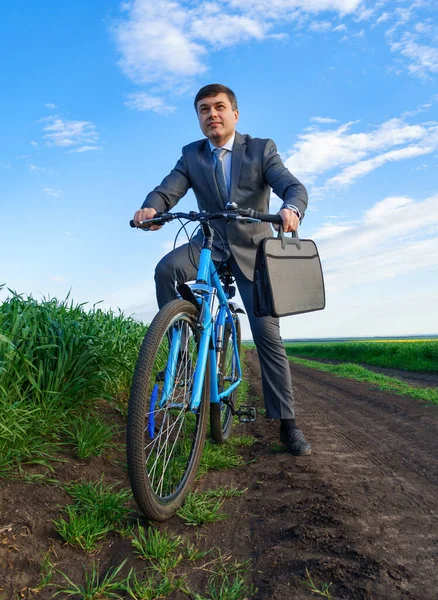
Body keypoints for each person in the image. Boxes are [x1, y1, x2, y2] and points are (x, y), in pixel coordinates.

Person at [133, 83, 311, 456]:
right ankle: (182, 350)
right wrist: (151, 208)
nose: (211, 114)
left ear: (234, 114)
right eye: (203, 109)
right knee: (166, 269)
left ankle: (287, 424)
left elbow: (291, 186)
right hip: (209, 244)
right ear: (198, 118)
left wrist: (291, 208)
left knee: (267, 334)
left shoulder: (261, 149)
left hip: (255, 251)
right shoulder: (191, 155)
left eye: (218, 107)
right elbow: (167, 191)